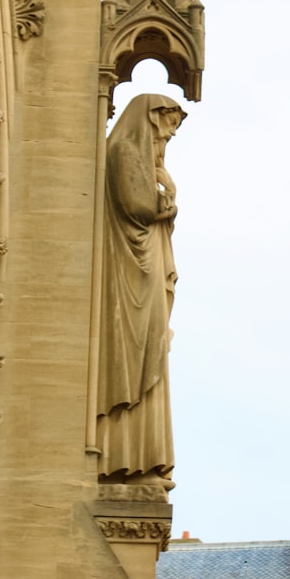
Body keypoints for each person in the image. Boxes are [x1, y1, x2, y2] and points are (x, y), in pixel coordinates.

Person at [97, 93, 185, 491]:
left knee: (149, 352)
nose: (162, 148)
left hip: (142, 268)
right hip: (131, 273)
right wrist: (168, 193)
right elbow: (140, 206)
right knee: (135, 353)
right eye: (161, 137)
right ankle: (119, 457)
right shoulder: (124, 151)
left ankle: (138, 457)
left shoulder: (134, 154)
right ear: (148, 123)